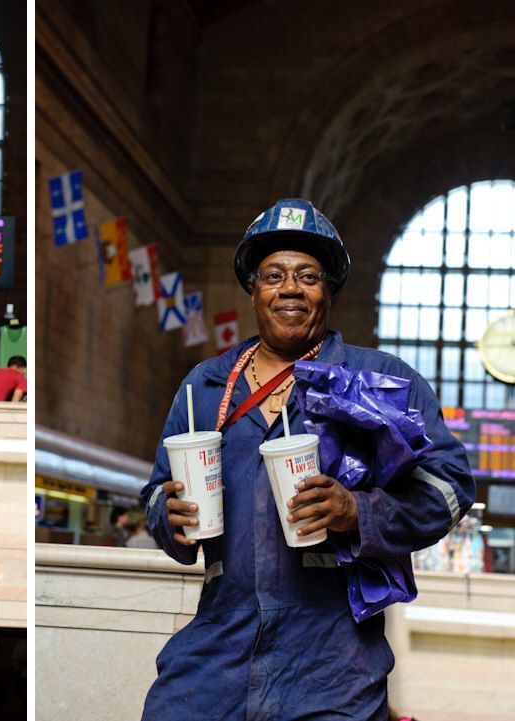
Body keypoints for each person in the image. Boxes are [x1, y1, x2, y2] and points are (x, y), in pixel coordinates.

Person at [140, 198, 475, 720]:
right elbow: (157, 492)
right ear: (253, 288)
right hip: (216, 649)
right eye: (274, 275)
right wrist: (170, 516)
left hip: (332, 657)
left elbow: (450, 487)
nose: (290, 288)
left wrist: (357, 511)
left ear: (329, 291)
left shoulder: (379, 382)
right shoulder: (204, 386)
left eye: (308, 276)